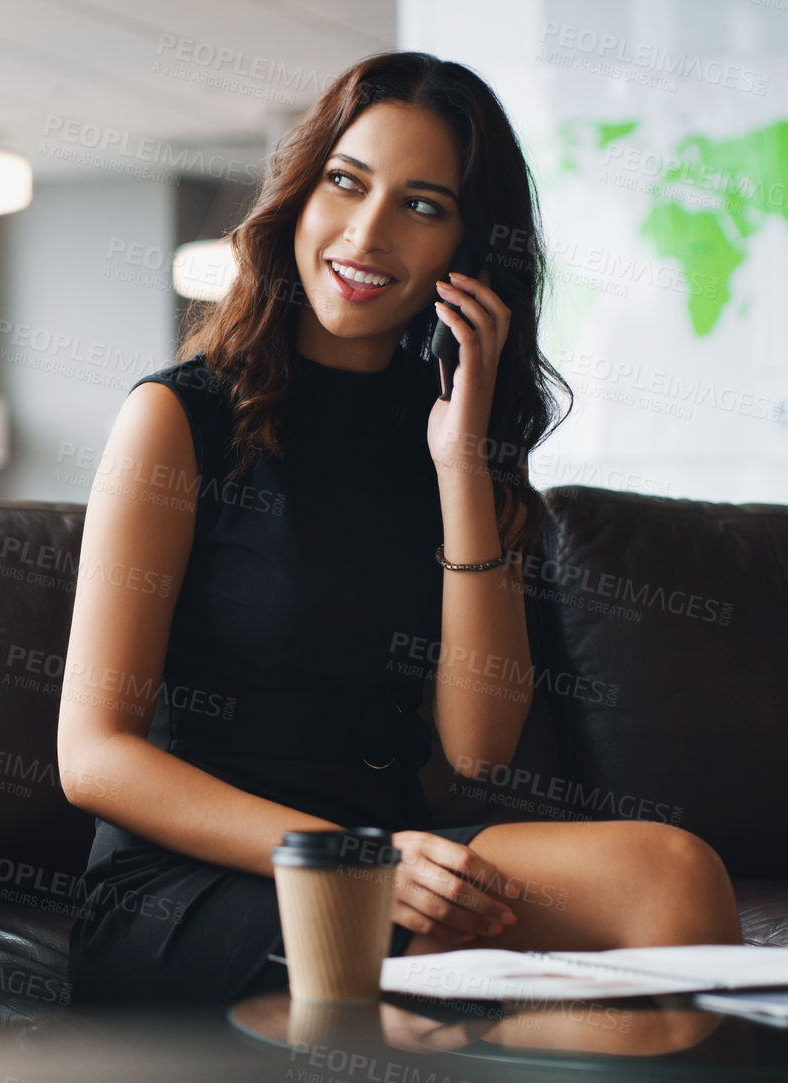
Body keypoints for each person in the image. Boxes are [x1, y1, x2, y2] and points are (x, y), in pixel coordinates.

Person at [55, 51, 743, 1008]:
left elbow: (477, 746)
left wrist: (461, 461)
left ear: (469, 247)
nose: (367, 233)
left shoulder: (464, 446)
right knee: (436, 972)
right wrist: (347, 858)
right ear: (299, 193)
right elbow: (92, 757)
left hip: (396, 856)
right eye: (346, 182)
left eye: (421, 205)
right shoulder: (178, 420)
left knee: (669, 874)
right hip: (191, 885)